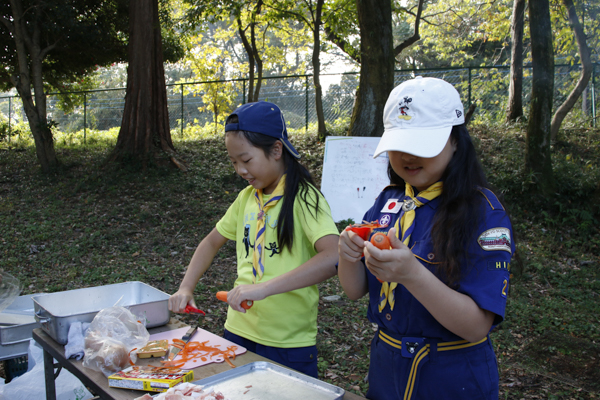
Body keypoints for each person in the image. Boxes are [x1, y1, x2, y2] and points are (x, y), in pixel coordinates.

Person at [338, 77, 515, 399]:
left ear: (456, 141)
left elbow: (476, 326)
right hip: (386, 364)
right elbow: (355, 290)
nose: (407, 156)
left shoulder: (483, 213)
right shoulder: (388, 201)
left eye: (422, 145)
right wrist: (347, 253)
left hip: (451, 373)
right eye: (399, 144)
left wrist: (412, 275)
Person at [169, 101, 339, 378]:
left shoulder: (305, 199)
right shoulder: (247, 199)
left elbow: (334, 257)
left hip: (287, 342)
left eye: (246, 160)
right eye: (234, 162)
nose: (240, 170)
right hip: (238, 331)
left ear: (276, 150)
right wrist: (186, 287)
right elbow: (211, 242)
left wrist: (264, 288)